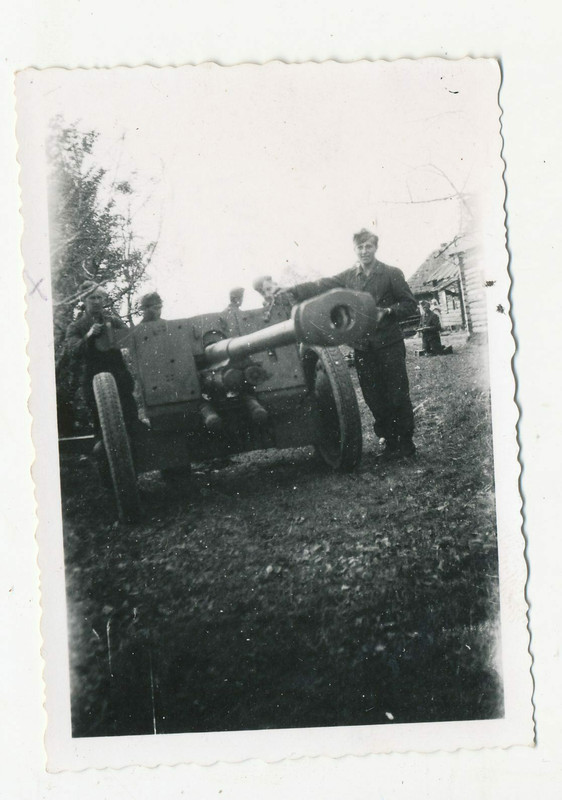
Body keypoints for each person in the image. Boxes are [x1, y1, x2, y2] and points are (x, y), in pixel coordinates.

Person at [278, 228, 418, 460]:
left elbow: (410, 305)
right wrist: (292, 290)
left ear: (376, 248)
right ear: (354, 249)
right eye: (360, 247)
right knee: (373, 397)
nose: (364, 251)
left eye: (368, 246)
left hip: (389, 345)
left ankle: (406, 443)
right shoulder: (349, 277)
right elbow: (321, 285)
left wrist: (388, 312)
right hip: (363, 347)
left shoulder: (391, 273)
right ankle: (390, 442)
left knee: (397, 394)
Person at [65, 282, 140, 436]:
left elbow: (132, 339)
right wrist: (89, 335)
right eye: (92, 298)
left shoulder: (113, 321)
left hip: (120, 378)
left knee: (131, 420)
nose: (97, 301)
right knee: (103, 428)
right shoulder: (76, 327)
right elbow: (73, 351)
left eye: (100, 297)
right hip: (93, 381)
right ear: (84, 301)